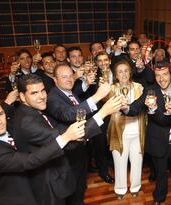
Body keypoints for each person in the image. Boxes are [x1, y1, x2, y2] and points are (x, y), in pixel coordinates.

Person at [11, 74, 116, 205]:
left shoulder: (31, 111)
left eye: (43, 90)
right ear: (22, 97)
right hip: (47, 183)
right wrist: (103, 112)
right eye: (34, 93)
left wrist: (69, 132)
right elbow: (60, 138)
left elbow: (57, 130)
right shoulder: (27, 121)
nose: (42, 96)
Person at [0, 97, 85, 205]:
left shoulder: (1, 129)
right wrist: (65, 137)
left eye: (1, 114)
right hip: (12, 198)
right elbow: (28, 161)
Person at [45, 64, 122, 205]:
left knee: (79, 185)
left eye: (70, 75)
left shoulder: (69, 92)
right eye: (64, 77)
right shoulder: (52, 97)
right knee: (71, 188)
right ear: (55, 80)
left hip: (80, 148)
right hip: (68, 153)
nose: (69, 79)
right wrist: (98, 96)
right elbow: (69, 114)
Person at [126, 62, 171, 205]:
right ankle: (159, 197)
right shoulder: (150, 90)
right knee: (160, 173)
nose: (162, 79)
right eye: (158, 75)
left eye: (165, 74)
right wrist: (125, 107)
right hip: (158, 140)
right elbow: (136, 106)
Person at [106, 61, 146, 199]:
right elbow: (105, 104)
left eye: (126, 70)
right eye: (120, 71)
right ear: (116, 75)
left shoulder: (139, 87)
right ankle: (120, 189)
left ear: (130, 72)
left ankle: (135, 187)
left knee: (137, 161)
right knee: (120, 163)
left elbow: (142, 107)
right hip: (119, 131)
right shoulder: (110, 89)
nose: (123, 74)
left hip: (137, 130)